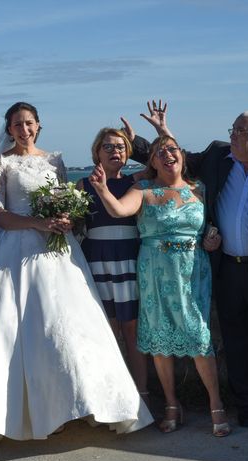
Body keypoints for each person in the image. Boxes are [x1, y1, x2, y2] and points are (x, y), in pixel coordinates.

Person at [0, 102, 153, 455]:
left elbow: (65, 202)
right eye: (17, 124)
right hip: (17, 248)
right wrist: (36, 222)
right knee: (17, 328)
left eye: (29, 123)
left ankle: (74, 404)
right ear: (10, 128)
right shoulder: (2, 162)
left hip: (58, 250)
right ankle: (5, 418)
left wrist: (64, 220)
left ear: (38, 126)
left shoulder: (55, 161)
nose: (24, 129)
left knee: (69, 326)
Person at [132, 107, 248, 429]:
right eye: (232, 130)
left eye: (237, 132)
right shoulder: (220, 156)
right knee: (235, 341)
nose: (230, 136)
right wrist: (155, 133)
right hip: (227, 269)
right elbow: (174, 159)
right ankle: (245, 404)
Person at [89, 134, 230, 436]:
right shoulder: (143, 189)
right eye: (159, 152)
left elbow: (213, 226)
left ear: (181, 155)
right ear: (151, 162)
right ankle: (171, 404)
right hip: (154, 271)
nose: (167, 155)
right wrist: (101, 190)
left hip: (193, 271)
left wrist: (212, 240)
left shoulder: (200, 189)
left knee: (198, 335)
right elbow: (119, 210)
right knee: (159, 336)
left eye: (172, 149)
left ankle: (216, 404)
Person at [78, 127, 148, 398]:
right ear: (96, 152)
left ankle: (141, 394)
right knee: (105, 329)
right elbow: (74, 224)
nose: (115, 151)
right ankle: (110, 395)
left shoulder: (136, 182)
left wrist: (142, 137)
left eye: (120, 146)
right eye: (108, 146)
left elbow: (168, 159)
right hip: (95, 259)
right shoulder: (82, 185)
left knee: (131, 328)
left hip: (128, 258)